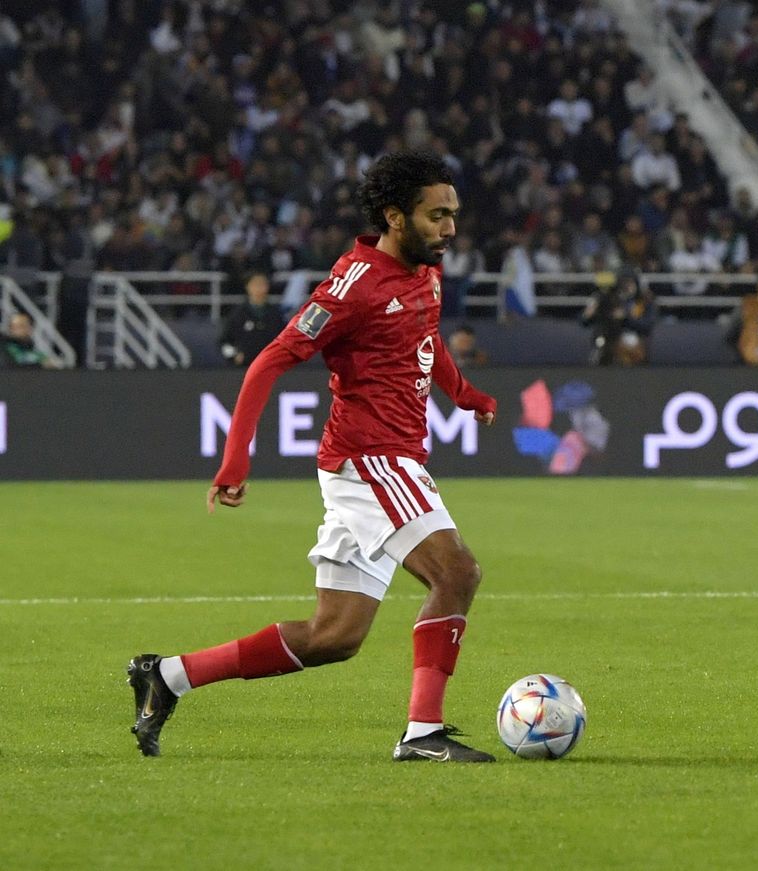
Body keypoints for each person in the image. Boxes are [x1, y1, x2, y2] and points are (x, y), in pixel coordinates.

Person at [126, 151, 501, 763]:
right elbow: (270, 359)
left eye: (453, 214)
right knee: (457, 573)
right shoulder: (353, 283)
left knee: (335, 636)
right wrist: (235, 459)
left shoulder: (426, 272)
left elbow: (426, 335)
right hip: (372, 458)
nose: (451, 229)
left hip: (380, 461)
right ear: (395, 216)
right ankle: (422, 733)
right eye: (437, 216)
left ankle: (167, 677)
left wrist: (464, 394)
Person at [580, 269, 657, 365]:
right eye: (623, 283)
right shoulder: (611, 299)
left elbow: (647, 325)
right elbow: (587, 321)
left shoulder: (645, 302)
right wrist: (589, 314)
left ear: (637, 283)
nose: (626, 286)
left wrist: (626, 318)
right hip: (613, 342)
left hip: (637, 343)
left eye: (630, 282)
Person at [218, 272, 286, 366]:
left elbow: (285, 340)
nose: (259, 288)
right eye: (255, 284)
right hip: (244, 368)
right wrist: (234, 356)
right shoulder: (238, 314)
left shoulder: (275, 313)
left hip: (270, 366)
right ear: (247, 287)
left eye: (263, 284)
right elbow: (224, 342)